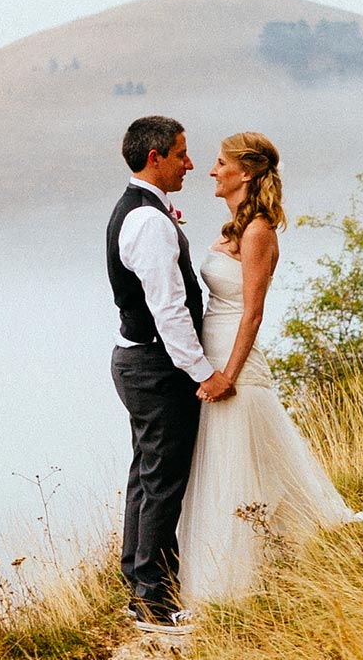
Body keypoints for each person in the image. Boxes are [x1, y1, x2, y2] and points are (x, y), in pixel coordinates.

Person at [175, 131, 363, 604]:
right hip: (214, 351)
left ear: (246, 172)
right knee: (231, 461)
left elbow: (253, 312)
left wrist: (228, 376)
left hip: (234, 361)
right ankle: (252, 561)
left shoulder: (258, 232)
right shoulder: (234, 227)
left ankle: (235, 581)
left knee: (238, 460)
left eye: (219, 163)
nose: (211, 171)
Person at [106, 114, 230, 637]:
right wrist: (203, 372)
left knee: (145, 471)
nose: (191, 163)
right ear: (155, 157)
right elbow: (170, 310)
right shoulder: (149, 221)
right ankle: (154, 603)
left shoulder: (140, 211)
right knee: (162, 479)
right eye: (182, 153)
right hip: (157, 364)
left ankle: (138, 579)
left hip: (139, 360)